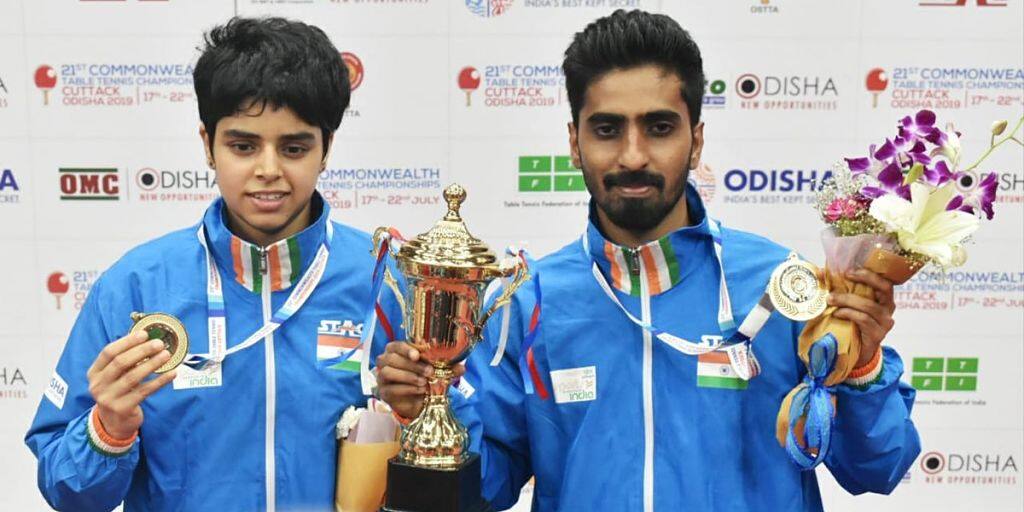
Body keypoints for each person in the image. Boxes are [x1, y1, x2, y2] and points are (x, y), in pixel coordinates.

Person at [375, 9, 920, 511]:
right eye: (607, 129)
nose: (633, 156)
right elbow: (488, 487)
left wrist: (864, 368)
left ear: (697, 140)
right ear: (574, 141)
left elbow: (877, 468)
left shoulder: (784, 286)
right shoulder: (530, 300)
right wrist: (423, 412)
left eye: (659, 127)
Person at [25, 16, 390, 511]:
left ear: (326, 148)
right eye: (243, 145)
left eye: (294, 147)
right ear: (207, 145)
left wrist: (416, 419)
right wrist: (107, 428)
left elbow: (475, 480)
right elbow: (65, 489)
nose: (268, 170)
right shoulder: (136, 287)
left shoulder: (384, 280)